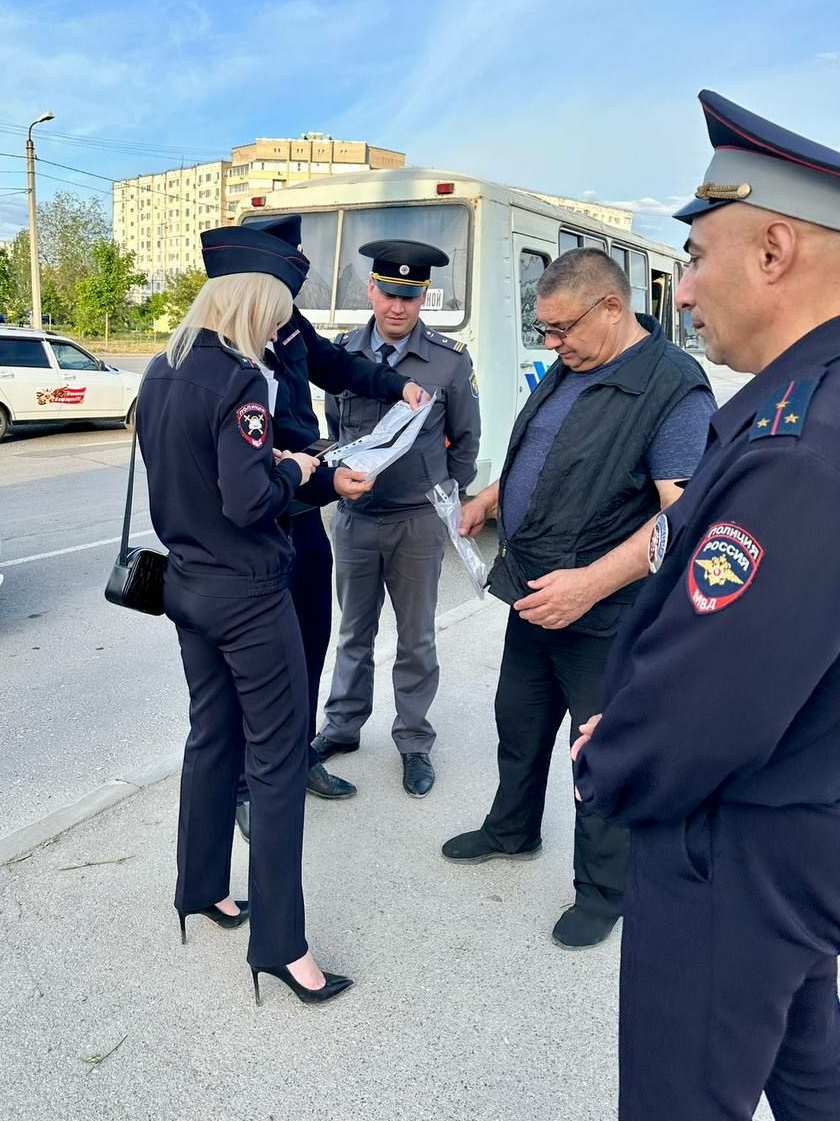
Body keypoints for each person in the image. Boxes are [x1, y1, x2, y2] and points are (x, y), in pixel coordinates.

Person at [572, 90, 840, 1117]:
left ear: (774, 250)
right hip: (796, 820)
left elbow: (712, 696)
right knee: (808, 1058)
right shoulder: (793, 400)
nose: (682, 292)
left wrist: (607, 754)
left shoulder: (799, 445)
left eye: (697, 258)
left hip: (737, 838)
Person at [441, 248, 715, 949]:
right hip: (536, 594)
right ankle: (511, 830)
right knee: (520, 725)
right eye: (545, 331)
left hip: (607, 614)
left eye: (561, 328)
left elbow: (680, 518)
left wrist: (590, 583)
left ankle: (602, 889)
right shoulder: (575, 365)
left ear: (612, 308)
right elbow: (552, 453)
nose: (552, 344)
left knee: (598, 752)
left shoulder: (672, 389)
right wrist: (493, 498)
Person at [136, 225, 352, 1007]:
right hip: (250, 595)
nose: (277, 326)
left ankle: (201, 890)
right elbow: (248, 498)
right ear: (255, 300)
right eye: (276, 309)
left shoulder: (162, 370)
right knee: (276, 763)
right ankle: (284, 949)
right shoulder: (241, 381)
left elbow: (179, 477)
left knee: (210, 739)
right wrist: (297, 468)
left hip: (187, 586)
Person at [226, 217, 427, 840]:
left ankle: (294, 761)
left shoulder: (287, 329)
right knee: (254, 663)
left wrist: (398, 384)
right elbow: (242, 468)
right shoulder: (222, 350)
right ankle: (241, 784)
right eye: (289, 276)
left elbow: (337, 366)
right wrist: (320, 481)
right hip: (257, 523)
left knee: (310, 641)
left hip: (303, 513)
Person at [313, 240, 481, 797]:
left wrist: (442, 492)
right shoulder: (341, 356)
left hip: (416, 524)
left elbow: (467, 439)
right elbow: (335, 435)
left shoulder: (447, 360)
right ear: (371, 291)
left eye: (409, 296)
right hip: (357, 520)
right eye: (388, 293)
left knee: (416, 638)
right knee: (353, 632)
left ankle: (413, 740)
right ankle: (342, 726)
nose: (397, 307)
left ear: (422, 297)